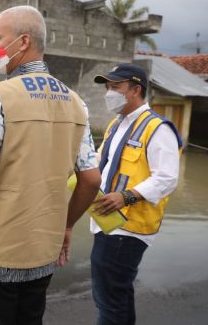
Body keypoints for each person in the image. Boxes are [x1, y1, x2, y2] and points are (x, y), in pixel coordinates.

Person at [0, 5, 101, 325]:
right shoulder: (75, 103)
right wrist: (66, 226)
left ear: (23, 41)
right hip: (44, 253)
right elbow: (91, 180)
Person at [90, 64, 182, 325]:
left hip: (129, 227)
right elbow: (101, 164)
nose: (109, 93)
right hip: (106, 222)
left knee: (108, 302)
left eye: (116, 87)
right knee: (117, 295)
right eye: (108, 87)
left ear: (135, 90)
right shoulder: (115, 125)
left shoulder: (158, 128)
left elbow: (167, 178)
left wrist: (126, 196)